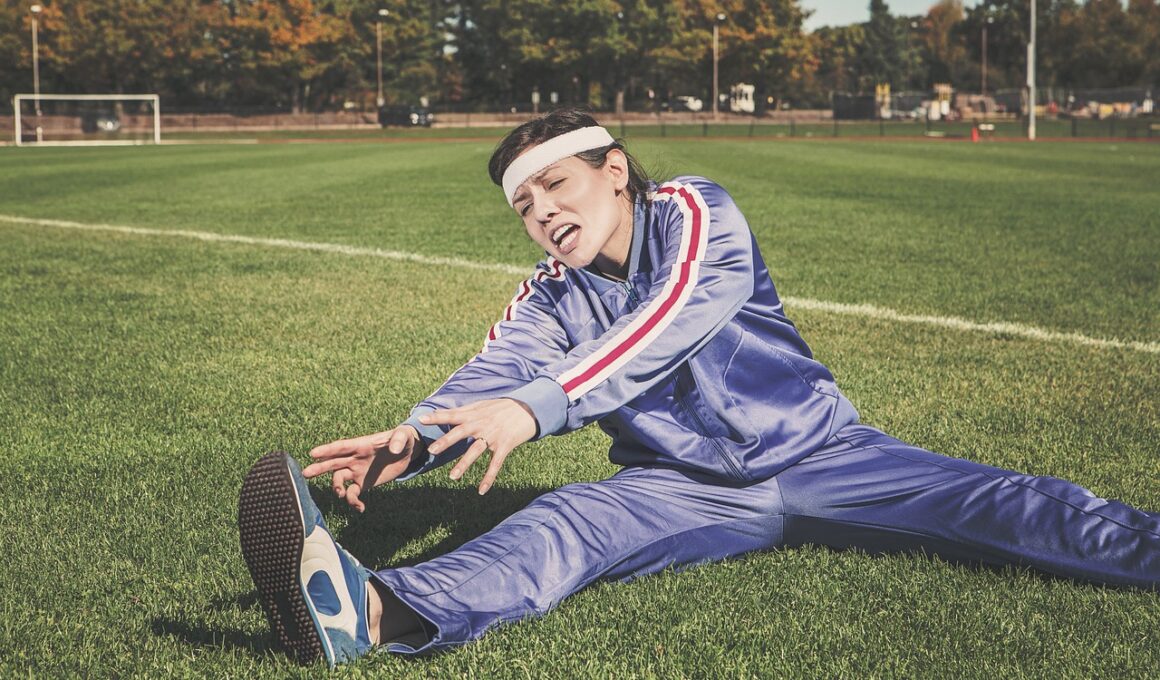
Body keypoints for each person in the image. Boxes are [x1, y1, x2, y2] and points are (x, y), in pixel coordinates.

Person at [238, 108, 1160, 668]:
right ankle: (368, 612)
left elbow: (673, 315)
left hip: (825, 455)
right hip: (679, 487)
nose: (544, 212)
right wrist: (414, 441)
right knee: (564, 523)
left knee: (1006, 506)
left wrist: (537, 407)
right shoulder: (549, 295)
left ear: (613, 170)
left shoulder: (694, 211)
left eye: (555, 185)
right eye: (524, 205)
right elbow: (496, 374)